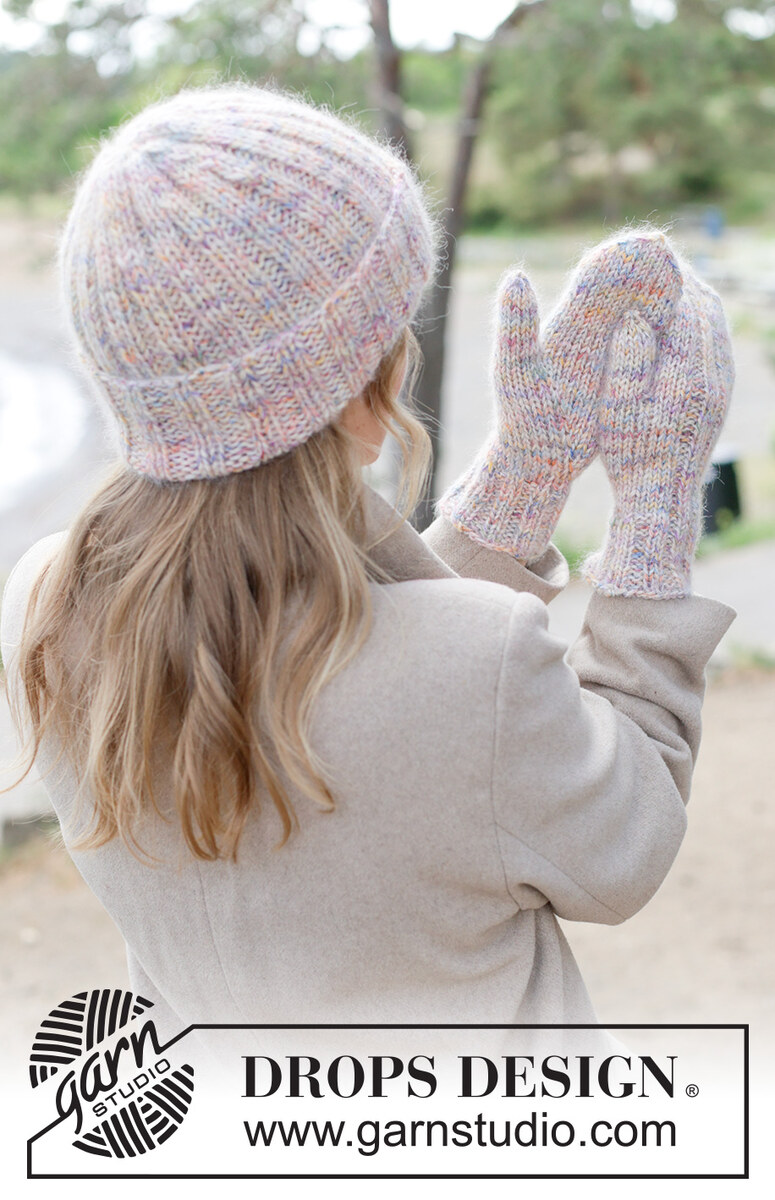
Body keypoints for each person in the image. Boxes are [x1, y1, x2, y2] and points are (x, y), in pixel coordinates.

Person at [1, 85, 734, 1037]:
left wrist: (519, 487)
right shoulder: (471, 668)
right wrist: (654, 526)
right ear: (357, 393)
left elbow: (384, 667)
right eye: (390, 324)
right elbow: (620, 843)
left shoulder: (43, 603)